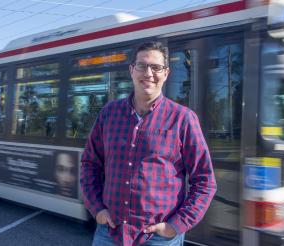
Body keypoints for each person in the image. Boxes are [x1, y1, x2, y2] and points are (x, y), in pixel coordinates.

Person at [80, 41, 216, 246]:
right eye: (142, 66)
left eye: (156, 67)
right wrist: (96, 208)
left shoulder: (183, 119)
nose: (149, 73)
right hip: (110, 233)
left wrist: (176, 225)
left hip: (159, 238)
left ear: (166, 73)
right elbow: (90, 163)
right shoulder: (109, 113)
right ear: (131, 70)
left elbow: (205, 181)